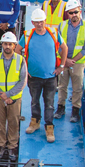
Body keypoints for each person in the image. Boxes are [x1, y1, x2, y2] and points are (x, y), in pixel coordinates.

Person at [19, 8, 68, 144]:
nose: (39, 24)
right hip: (34, 77)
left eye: (41, 21)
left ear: (45, 21)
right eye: (36, 22)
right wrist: (24, 68)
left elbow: (64, 48)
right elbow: (17, 50)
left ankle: (49, 127)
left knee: (49, 103)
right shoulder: (27, 35)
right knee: (34, 101)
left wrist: (61, 66)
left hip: (50, 77)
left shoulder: (54, 33)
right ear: (32, 23)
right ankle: (35, 122)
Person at [0, 31, 26, 160]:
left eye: (10, 44)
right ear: (2, 45)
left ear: (15, 45)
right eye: (5, 44)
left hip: (14, 98)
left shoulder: (20, 60)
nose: (8, 46)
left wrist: (9, 95)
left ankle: (12, 146)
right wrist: (3, 95)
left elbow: (23, 81)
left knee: (13, 122)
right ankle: (0, 145)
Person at [58, 0, 85, 123]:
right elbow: (58, 45)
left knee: (77, 88)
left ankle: (75, 111)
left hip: (78, 63)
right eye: (71, 13)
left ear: (80, 11)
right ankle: (60, 108)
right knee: (62, 85)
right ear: (67, 14)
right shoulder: (62, 25)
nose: (74, 15)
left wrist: (72, 60)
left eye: (76, 12)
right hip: (64, 61)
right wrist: (65, 60)